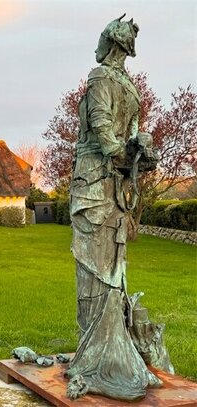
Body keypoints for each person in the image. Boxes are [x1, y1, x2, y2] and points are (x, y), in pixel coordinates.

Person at [66, 14, 161, 401]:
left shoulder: (100, 78)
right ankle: (105, 349)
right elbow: (129, 148)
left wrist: (130, 151)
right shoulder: (132, 91)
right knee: (108, 271)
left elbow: (105, 138)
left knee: (96, 273)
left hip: (93, 188)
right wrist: (140, 151)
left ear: (110, 45)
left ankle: (98, 356)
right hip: (116, 192)